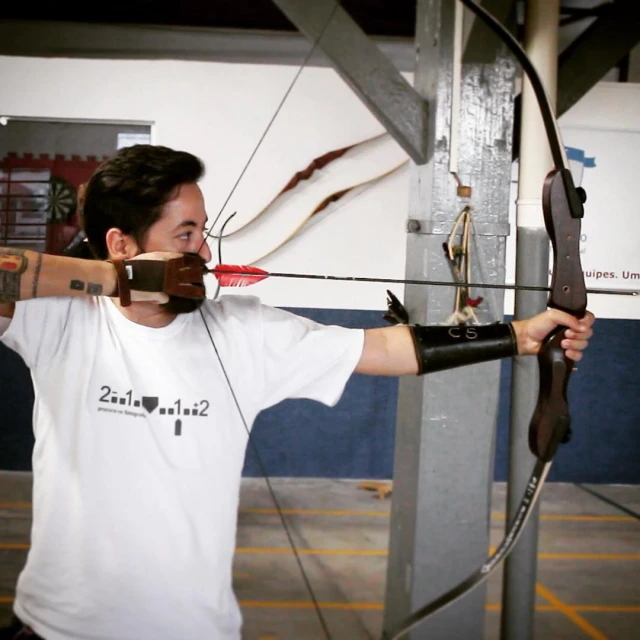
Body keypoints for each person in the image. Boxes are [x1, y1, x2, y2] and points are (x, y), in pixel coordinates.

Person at [0, 145, 595, 640]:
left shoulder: (245, 329)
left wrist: (520, 335)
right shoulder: (58, 321)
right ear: (122, 245)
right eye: (185, 235)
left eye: (202, 233)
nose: (203, 253)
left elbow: (385, 349)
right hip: (59, 625)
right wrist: (113, 280)